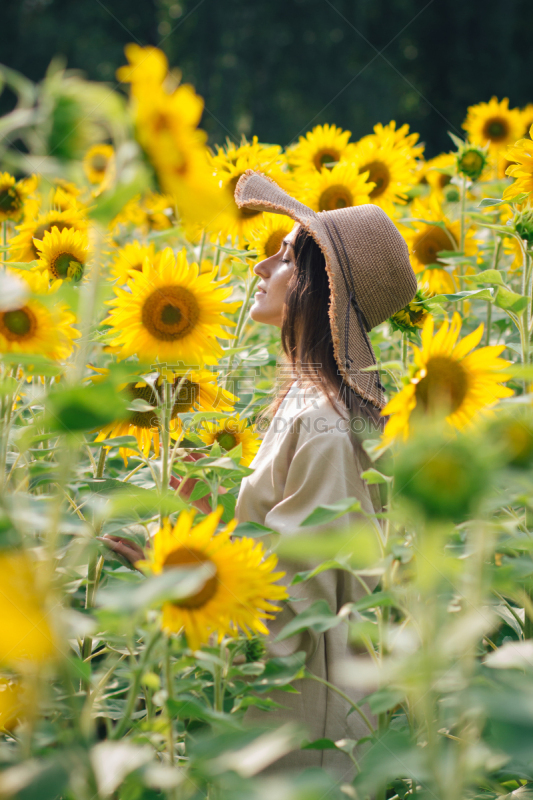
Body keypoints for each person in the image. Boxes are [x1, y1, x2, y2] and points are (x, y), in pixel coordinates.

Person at [103, 169, 417, 778]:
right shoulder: (306, 406)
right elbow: (275, 545)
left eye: (282, 258)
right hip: (279, 719)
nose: (259, 268)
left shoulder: (323, 424)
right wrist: (204, 506)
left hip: (299, 737)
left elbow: (301, 601)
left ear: (317, 286)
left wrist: (179, 585)